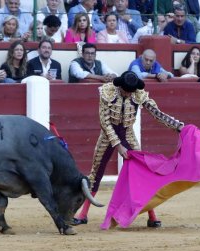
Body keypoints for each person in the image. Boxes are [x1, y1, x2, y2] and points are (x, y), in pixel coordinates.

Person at [72, 70, 184, 227]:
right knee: (96, 173)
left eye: (132, 92)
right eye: (126, 91)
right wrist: (118, 145)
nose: (129, 94)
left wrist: (178, 126)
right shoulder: (108, 91)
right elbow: (105, 122)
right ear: (120, 87)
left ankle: (152, 216)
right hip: (107, 136)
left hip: (128, 135)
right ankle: (83, 214)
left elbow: (156, 113)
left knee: (142, 174)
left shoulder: (138, 94)